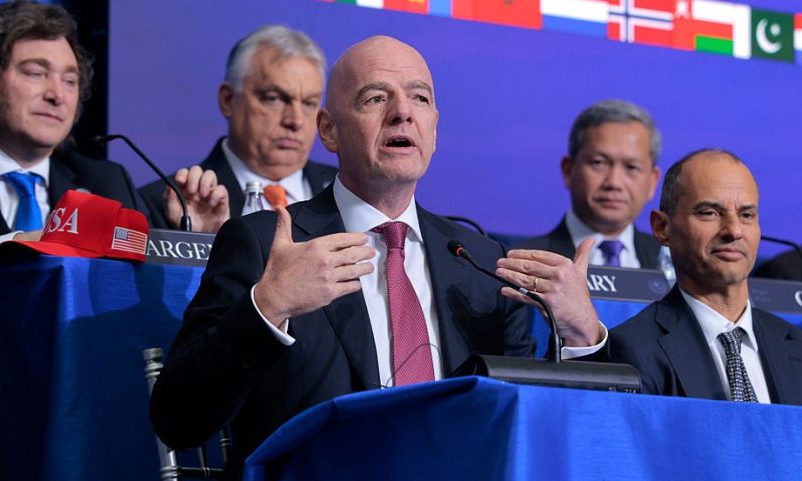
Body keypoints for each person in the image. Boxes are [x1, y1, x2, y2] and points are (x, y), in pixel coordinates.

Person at [150, 35, 605, 476]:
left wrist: (581, 336)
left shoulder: (480, 262)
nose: (402, 113)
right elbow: (178, 420)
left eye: (420, 99)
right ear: (328, 130)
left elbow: (540, 434)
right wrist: (268, 307)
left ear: (434, 129)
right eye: (374, 99)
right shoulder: (265, 244)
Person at [0, 1, 228, 272]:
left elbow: (148, 296)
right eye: (35, 73)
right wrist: (7, 246)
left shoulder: (108, 182)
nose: (57, 95)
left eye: (70, 81)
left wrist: (197, 243)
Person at [606, 149, 802, 404]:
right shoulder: (632, 349)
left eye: (746, 215)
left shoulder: (796, 345)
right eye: (709, 212)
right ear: (662, 227)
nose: (733, 230)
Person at [138, 25, 337, 228]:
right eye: (274, 98)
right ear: (228, 100)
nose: (296, 121)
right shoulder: (162, 205)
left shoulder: (348, 191)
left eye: (309, 103)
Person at [516, 100, 663, 268]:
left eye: (631, 167)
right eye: (598, 163)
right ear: (568, 170)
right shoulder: (523, 265)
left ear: (653, 181)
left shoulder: (678, 266)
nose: (614, 182)